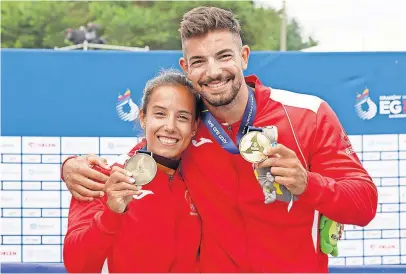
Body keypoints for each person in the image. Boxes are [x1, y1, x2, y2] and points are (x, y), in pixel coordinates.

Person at [61, 6, 378, 273]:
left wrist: (308, 183)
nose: (213, 71)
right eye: (199, 61)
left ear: (243, 56)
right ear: (187, 68)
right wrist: (71, 167)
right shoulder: (186, 126)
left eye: (223, 56)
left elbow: (364, 204)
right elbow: (141, 158)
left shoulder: (307, 115)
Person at [63, 70, 201, 273]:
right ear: (143, 117)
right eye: (160, 114)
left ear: (195, 126)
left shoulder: (205, 177)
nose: (170, 126)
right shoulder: (103, 177)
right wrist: (112, 213)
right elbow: (77, 265)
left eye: (182, 117)